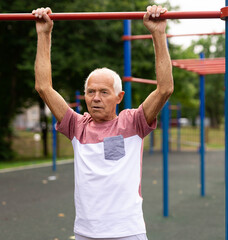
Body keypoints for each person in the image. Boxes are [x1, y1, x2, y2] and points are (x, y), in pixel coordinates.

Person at [32, 5, 173, 240]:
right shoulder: (77, 126)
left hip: (127, 232)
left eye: (104, 92)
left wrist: (158, 33)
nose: (96, 98)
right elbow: (43, 87)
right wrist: (44, 34)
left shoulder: (134, 123)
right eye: (90, 91)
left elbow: (165, 89)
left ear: (119, 97)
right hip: (86, 233)